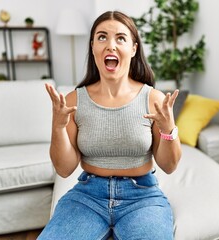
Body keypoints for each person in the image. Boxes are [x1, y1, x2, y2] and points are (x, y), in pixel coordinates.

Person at [38, 10, 181, 240]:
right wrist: (58, 127)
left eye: (120, 38)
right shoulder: (74, 101)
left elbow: (169, 165)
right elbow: (64, 169)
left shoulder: (153, 99)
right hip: (87, 197)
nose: (110, 45)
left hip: (142, 198)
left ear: (133, 49)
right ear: (93, 46)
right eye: (102, 37)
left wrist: (168, 130)